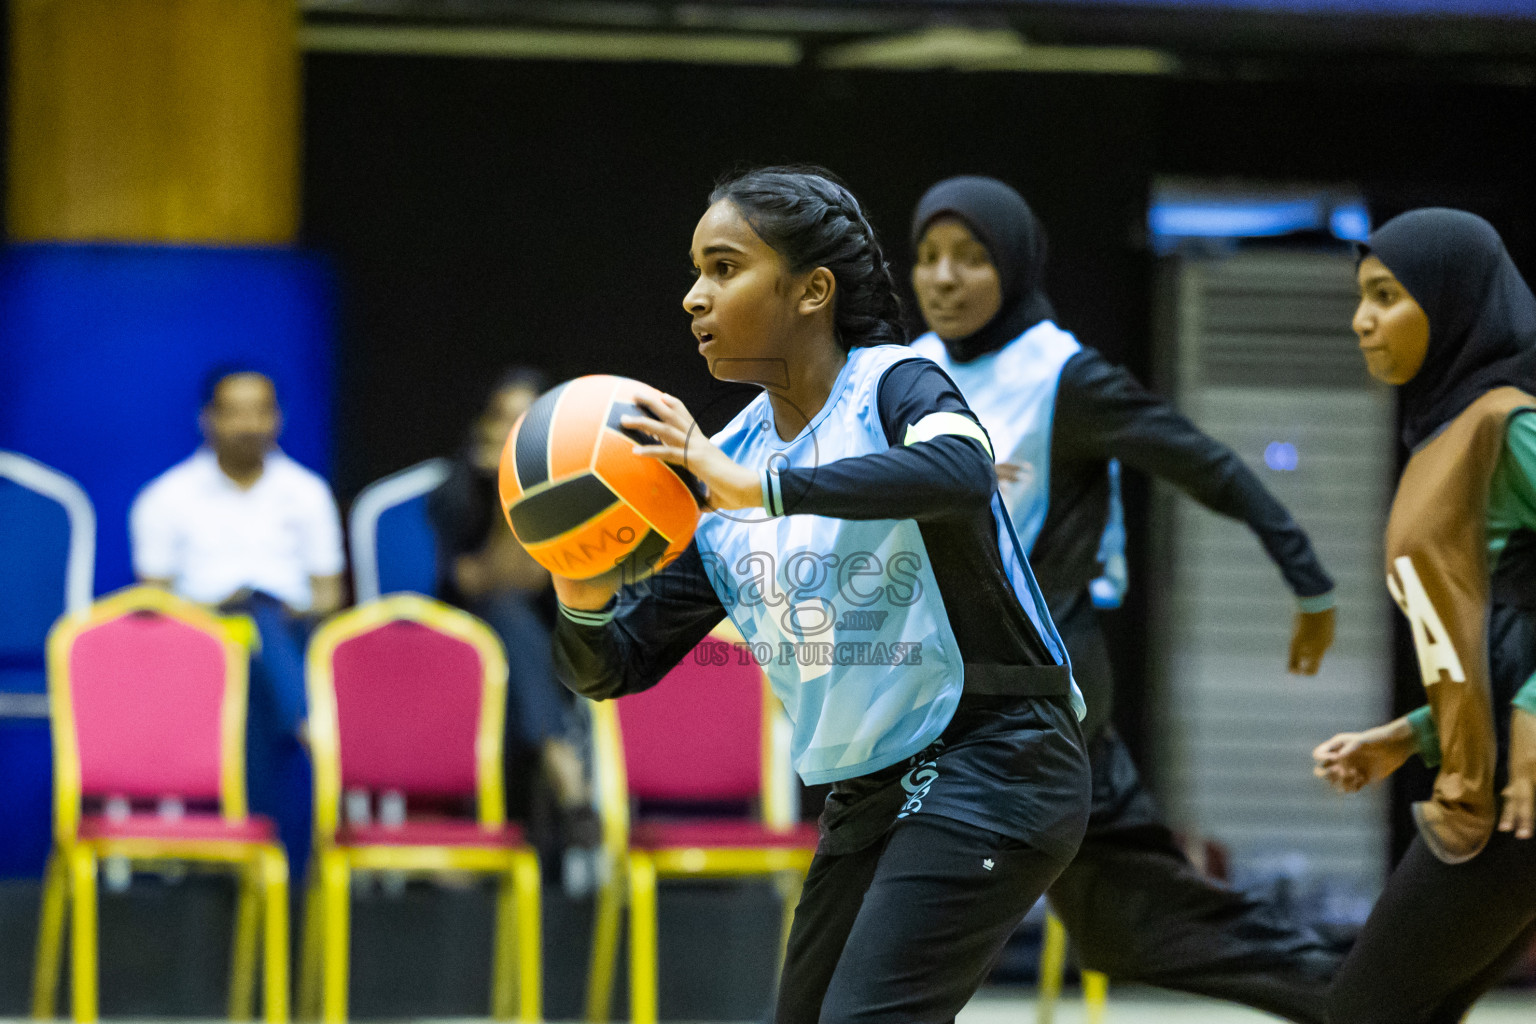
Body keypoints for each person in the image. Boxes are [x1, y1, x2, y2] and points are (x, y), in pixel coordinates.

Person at [548, 167, 1091, 1024]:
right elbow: (613, 665)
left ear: (813, 290)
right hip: (871, 791)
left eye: (723, 269)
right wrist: (579, 588)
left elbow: (962, 470)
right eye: (694, 273)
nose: (694, 297)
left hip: (998, 757)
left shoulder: (894, 384)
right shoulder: (723, 467)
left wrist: (764, 489)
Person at [908, 176, 1342, 1023]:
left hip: (1043, 684)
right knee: (1127, 923)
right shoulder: (906, 375)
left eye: (970, 258)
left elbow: (1203, 463)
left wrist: (1309, 578)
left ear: (1016, 265)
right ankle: (1364, 997)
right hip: (954, 681)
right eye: (927, 257)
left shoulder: (1061, 377)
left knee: (913, 899)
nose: (945, 278)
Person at [1310, 209, 1536, 1024]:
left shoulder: (1506, 424)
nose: (1361, 318)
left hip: (1510, 799)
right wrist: (1407, 735)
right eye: (1360, 296)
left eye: (1385, 295)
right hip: (1485, 779)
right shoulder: (1448, 429)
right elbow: (1501, 637)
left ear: (1453, 304)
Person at [130, 368, 345, 873]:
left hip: (289, 635)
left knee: (260, 627)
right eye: (236, 412)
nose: (250, 424)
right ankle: (311, 724)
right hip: (196, 650)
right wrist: (222, 615)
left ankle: (244, 854)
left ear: (279, 418)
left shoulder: (307, 493)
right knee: (245, 622)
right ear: (208, 420)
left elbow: (329, 597)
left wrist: (268, 611)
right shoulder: (166, 497)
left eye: (261, 411)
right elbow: (154, 604)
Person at [426, 369, 589, 850]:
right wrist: (506, 490)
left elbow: (553, 581)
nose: (515, 432)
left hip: (555, 640)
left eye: (530, 421)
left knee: (528, 631)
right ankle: (564, 768)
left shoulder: (578, 486)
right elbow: (491, 581)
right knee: (506, 612)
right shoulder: (454, 493)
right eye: (503, 419)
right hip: (467, 641)